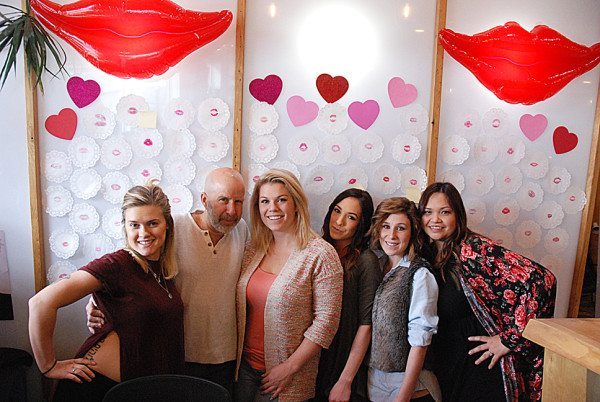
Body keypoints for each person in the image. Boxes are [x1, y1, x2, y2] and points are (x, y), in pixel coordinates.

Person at [87, 167, 249, 395]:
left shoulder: (243, 231)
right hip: (178, 353)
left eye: (239, 201)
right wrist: (99, 300)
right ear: (204, 199)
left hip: (226, 356)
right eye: (223, 200)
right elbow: (132, 261)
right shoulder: (174, 227)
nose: (232, 210)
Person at [29, 181, 184, 401]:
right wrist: (48, 366)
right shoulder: (116, 264)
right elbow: (41, 302)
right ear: (125, 227)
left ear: (167, 224)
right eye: (134, 225)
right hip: (94, 389)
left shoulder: (161, 270)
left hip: (134, 389)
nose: (143, 233)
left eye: (152, 223)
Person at [417, 182, 556, 402]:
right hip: (446, 359)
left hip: (478, 364)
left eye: (444, 212)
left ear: (458, 216)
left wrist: (509, 340)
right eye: (428, 212)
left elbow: (541, 280)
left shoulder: (474, 249)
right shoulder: (426, 253)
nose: (435, 220)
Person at [234, 169, 343, 402]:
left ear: (296, 204)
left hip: (288, 376)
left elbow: (326, 323)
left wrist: (290, 367)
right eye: (265, 201)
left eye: (281, 199)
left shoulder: (321, 254)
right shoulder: (253, 248)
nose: (272, 208)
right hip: (244, 370)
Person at [367, 197, 440, 402]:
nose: (391, 235)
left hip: (411, 387)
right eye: (386, 226)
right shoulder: (377, 265)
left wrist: (404, 396)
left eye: (401, 228)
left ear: (413, 233)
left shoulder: (420, 273)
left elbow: (421, 339)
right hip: (375, 383)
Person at [314, 189, 382, 402]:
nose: (339, 221)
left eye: (351, 217)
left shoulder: (366, 261)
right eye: (337, 211)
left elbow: (366, 325)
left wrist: (346, 380)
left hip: (343, 361)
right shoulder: (318, 250)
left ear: (361, 225)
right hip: (314, 355)